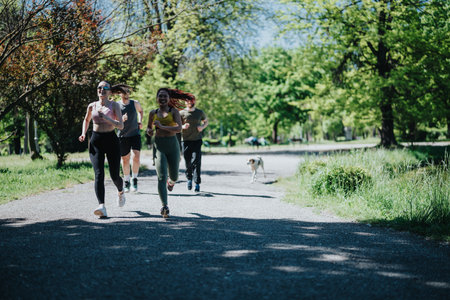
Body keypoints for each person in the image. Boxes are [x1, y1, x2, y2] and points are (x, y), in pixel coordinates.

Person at [79, 81, 126, 218]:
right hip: (96, 141)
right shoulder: (92, 106)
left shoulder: (114, 105)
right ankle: (102, 206)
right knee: (99, 174)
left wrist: (106, 117)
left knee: (114, 175)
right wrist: (83, 133)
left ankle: (121, 190)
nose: (101, 90)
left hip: (111, 140)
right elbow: (86, 120)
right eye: (99, 87)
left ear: (110, 92)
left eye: (105, 88)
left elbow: (121, 126)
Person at [146, 88, 187, 218]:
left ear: (169, 99)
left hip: (172, 145)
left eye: (165, 96)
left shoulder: (173, 111)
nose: (162, 98)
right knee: (161, 177)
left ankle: (172, 182)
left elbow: (179, 128)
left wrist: (162, 126)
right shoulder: (153, 113)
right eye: (160, 96)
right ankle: (165, 206)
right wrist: (150, 131)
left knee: (174, 176)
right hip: (159, 146)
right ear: (157, 98)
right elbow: (149, 128)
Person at [112, 84, 144, 193]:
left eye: (127, 92)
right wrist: (121, 120)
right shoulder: (116, 105)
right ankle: (126, 181)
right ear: (119, 94)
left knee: (136, 156)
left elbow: (141, 111)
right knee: (125, 160)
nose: (126, 94)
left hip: (135, 134)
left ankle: (134, 179)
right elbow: (113, 120)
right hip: (122, 136)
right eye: (123, 92)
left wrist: (140, 121)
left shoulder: (135, 103)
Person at [180, 95, 208, 192]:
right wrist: (182, 126)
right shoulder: (182, 113)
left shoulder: (199, 112)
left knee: (196, 161)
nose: (189, 102)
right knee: (188, 161)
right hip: (185, 140)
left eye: (191, 101)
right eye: (187, 101)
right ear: (185, 102)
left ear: (194, 101)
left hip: (197, 140)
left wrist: (202, 127)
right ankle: (189, 179)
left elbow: (206, 121)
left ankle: (197, 183)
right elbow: (176, 125)